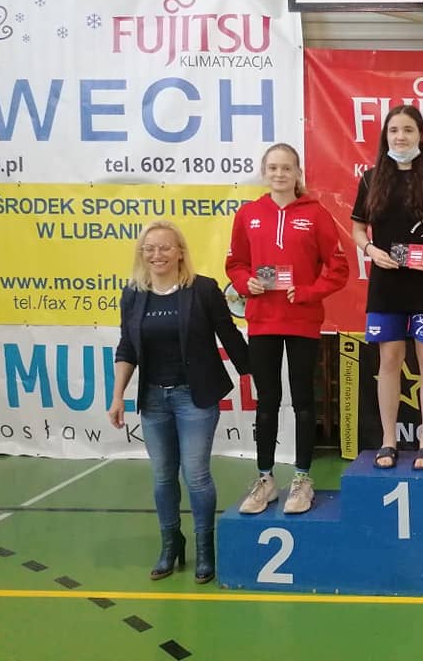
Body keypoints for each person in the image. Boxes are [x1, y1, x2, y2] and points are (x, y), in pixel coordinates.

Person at [108, 220, 250, 583]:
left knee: (196, 475)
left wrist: (255, 374)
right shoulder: (133, 295)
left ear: (180, 252)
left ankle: (205, 548)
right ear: (142, 254)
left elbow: (229, 335)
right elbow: (127, 348)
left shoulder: (202, 289)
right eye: (150, 248)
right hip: (153, 399)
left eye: (165, 247)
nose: (157, 255)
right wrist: (117, 396)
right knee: (162, 477)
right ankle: (171, 544)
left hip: (195, 397)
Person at [227, 142, 349, 514]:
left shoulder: (316, 214)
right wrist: (247, 283)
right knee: (266, 400)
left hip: (302, 320)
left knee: (303, 400)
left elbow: (338, 268)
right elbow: (235, 264)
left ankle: (301, 478)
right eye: (273, 168)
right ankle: (265, 479)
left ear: (298, 173)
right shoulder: (249, 214)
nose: (280, 174)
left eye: (287, 168)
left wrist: (309, 291)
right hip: (262, 320)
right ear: (264, 172)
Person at [351, 105, 423, 471]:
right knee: (389, 359)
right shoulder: (371, 179)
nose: (400, 137)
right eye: (394, 130)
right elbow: (357, 229)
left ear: (421, 135)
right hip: (386, 284)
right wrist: (371, 250)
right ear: (385, 136)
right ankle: (388, 440)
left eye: (408, 130)